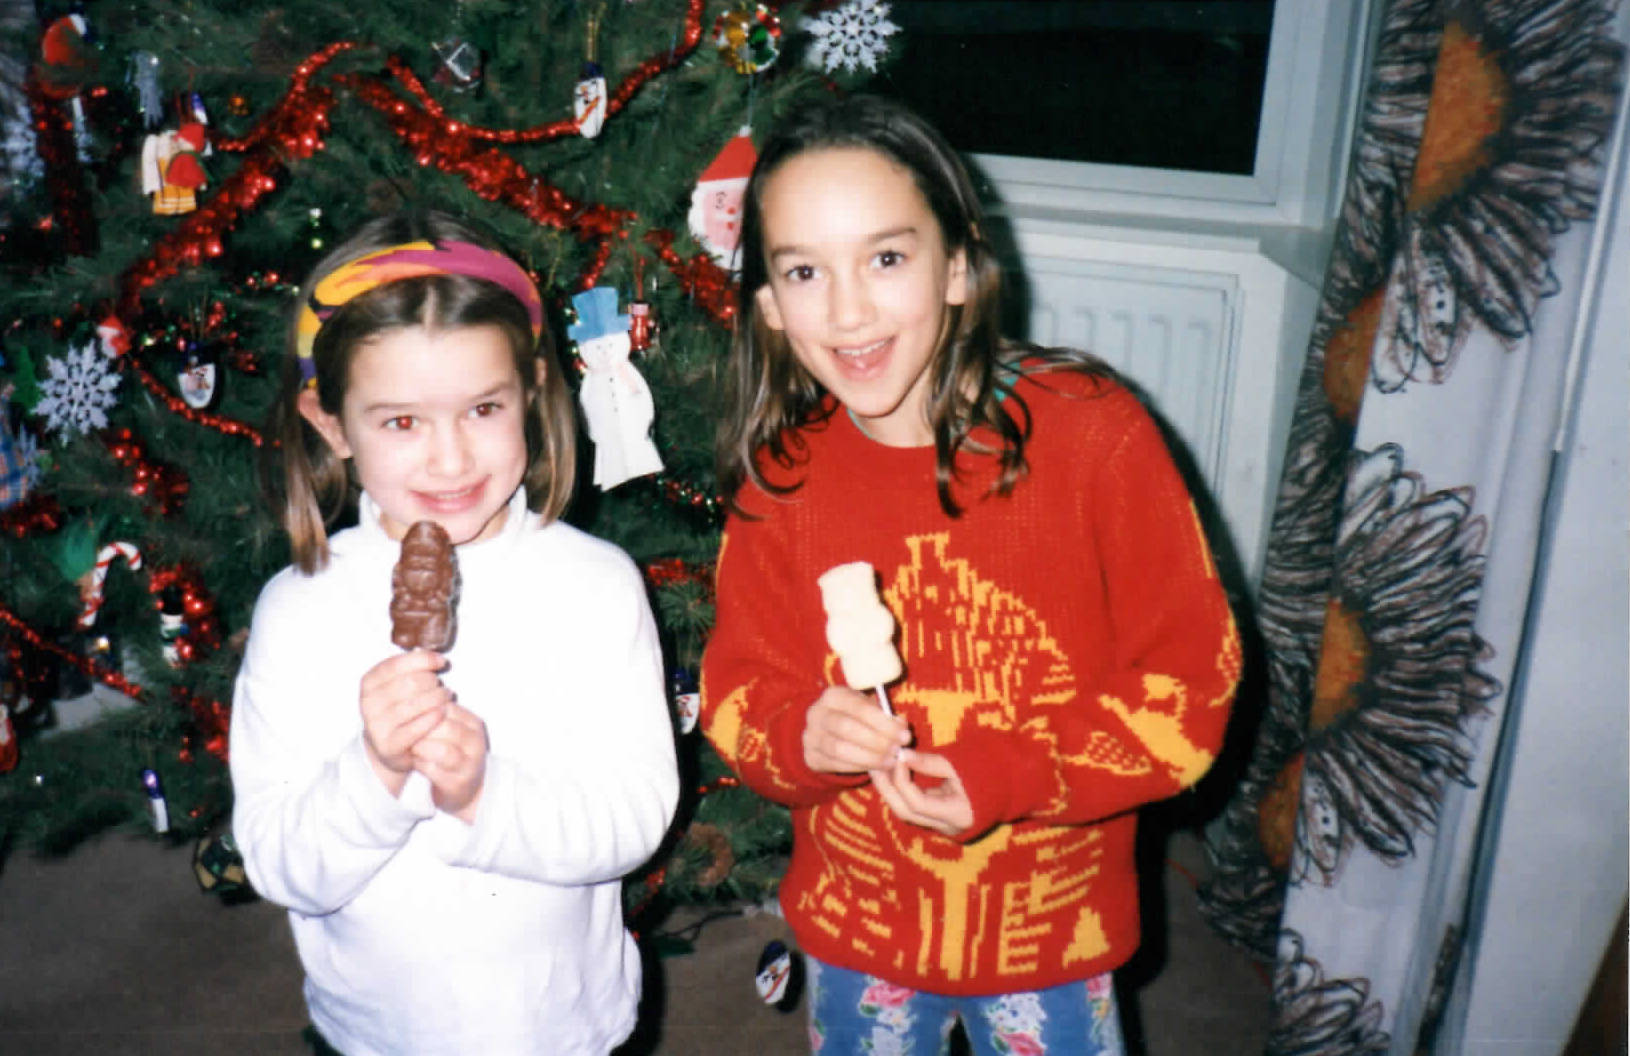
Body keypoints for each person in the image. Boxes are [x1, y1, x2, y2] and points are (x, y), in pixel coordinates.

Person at [701, 94, 1240, 1055]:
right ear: (770, 307)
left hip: (1052, 935)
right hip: (860, 926)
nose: (849, 310)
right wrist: (801, 734)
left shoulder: (1096, 436)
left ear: (957, 266)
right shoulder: (780, 486)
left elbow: (1191, 691)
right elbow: (737, 696)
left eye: (886, 258)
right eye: (804, 272)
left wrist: (1014, 772)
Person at [231, 209, 679, 1056]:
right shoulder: (300, 611)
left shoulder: (595, 587)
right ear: (331, 424)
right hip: (377, 1035)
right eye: (401, 422)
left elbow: (635, 816)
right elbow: (281, 865)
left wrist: (481, 798)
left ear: (531, 392)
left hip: (566, 1027)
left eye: (482, 408)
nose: (451, 460)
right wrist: (376, 773)